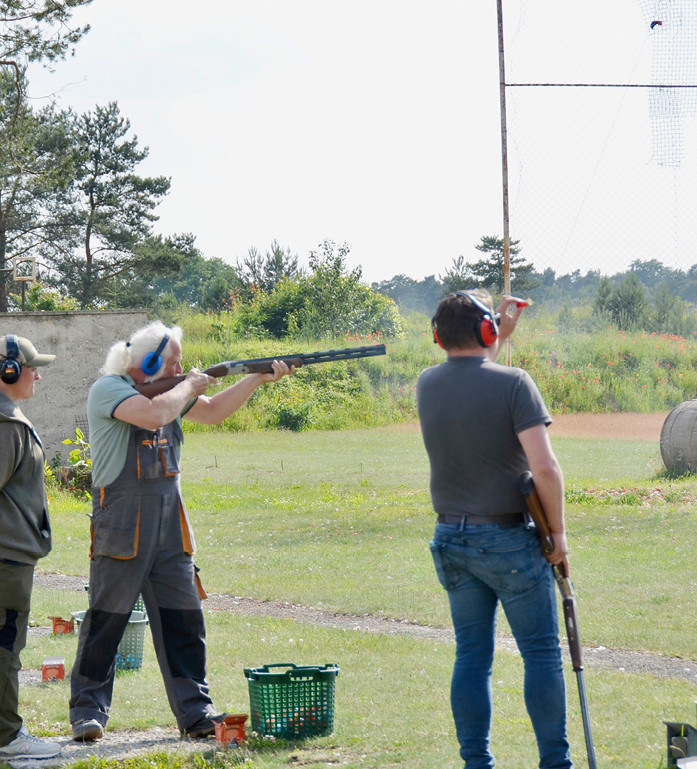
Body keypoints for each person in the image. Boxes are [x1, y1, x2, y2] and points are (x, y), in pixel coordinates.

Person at [69, 321, 294, 742]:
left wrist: (256, 379)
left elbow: (213, 411)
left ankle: (196, 712)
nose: (183, 368)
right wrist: (190, 385)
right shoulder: (110, 389)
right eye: (173, 362)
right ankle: (87, 711)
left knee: (184, 621)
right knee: (106, 622)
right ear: (149, 365)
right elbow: (157, 414)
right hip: (122, 525)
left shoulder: (173, 392)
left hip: (171, 526)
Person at [417, 290, 573, 769]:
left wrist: (497, 337)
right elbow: (544, 468)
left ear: (438, 337)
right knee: (542, 655)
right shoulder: (516, 383)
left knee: (472, 657)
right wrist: (560, 535)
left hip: (452, 540)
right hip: (508, 540)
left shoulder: (427, 383)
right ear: (486, 331)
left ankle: (476, 762)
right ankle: (555, 762)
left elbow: (475, 384)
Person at [0, 335, 61, 761]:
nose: (38, 373)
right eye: (31, 366)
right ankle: (7, 737)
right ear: (8, 371)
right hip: (6, 560)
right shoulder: (6, 426)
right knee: (5, 647)